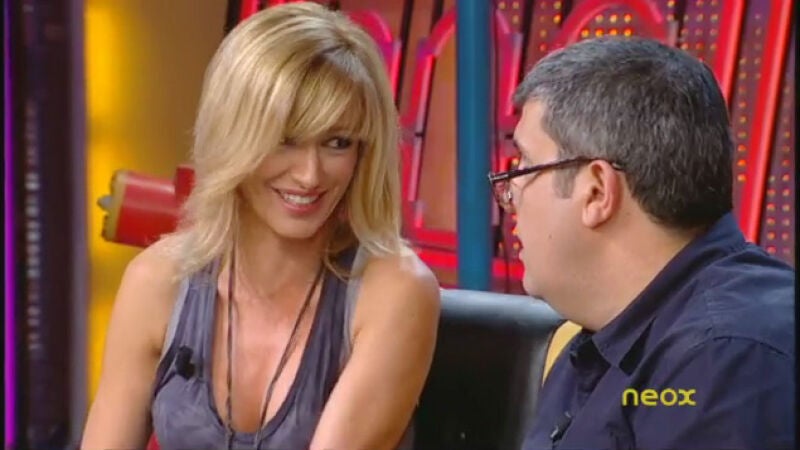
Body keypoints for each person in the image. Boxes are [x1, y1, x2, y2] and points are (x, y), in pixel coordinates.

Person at [81, 3, 441, 450]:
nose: (309, 175)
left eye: (337, 143)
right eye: (285, 141)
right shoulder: (156, 281)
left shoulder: (395, 291)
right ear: (234, 136)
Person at [488, 36, 795, 449]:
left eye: (524, 168)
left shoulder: (726, 359)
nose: (509, 197)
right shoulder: (601, 339)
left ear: (597, 192)